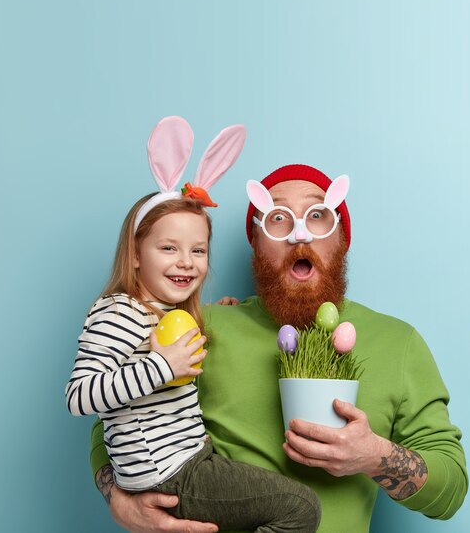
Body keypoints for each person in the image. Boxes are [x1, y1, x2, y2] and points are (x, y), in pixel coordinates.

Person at [90, 163, 468, 533]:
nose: (299, 236)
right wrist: (119, 501)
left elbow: (449, 492)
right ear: (256, 244)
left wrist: (373, 456)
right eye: (277, 219)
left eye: (318, 216)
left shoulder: (398, 343)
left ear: (342, 239)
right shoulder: (206, 327)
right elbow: (115, 418)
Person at [67, 122, 322, 533]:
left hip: (190, 457)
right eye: (169, 248)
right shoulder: (117, 312)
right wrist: (161, 367)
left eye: (198, 250)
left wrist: (214, 312)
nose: (186, 261)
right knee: (300, 507)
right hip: (172, 474)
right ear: (134, 254)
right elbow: (80, 396)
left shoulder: (160, 311)